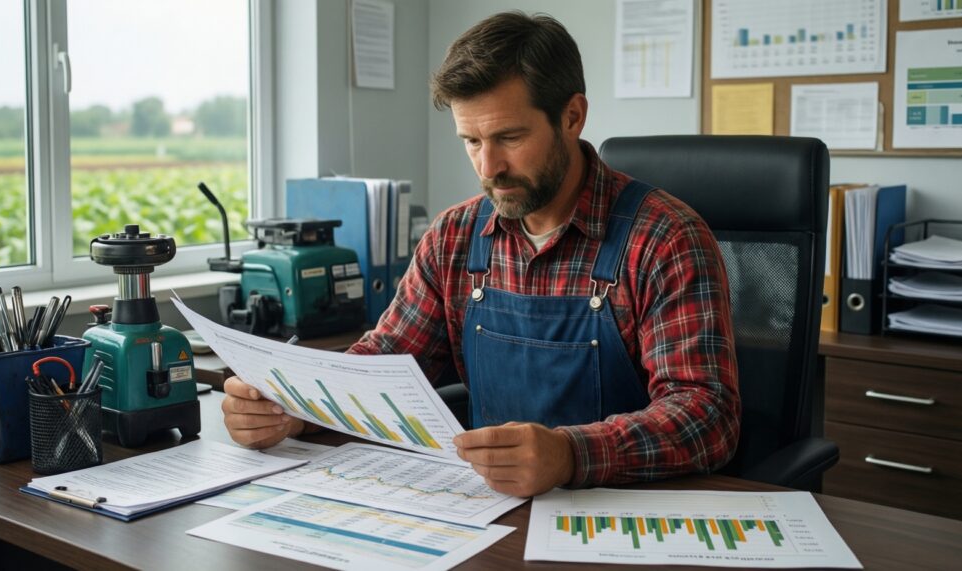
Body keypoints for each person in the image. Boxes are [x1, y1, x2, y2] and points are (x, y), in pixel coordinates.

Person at [222, 11, 740, 498]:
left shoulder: (665, 238)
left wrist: (570, 454)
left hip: (623, 515)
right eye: (470, 140)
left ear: (572, 117)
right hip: (489, 509)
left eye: (509, 137)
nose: (488, 167)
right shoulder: (454, 238)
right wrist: (294, 406)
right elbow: (386, 361)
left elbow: (706, 416)